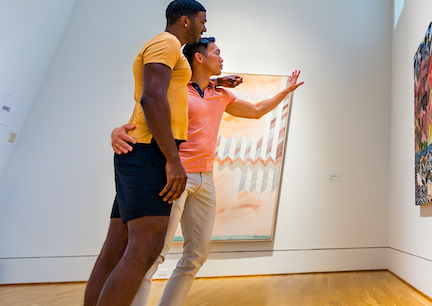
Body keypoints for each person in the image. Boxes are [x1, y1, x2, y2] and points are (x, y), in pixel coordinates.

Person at [111, 37, 303, 306]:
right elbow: (147, 114)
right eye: (217, 52)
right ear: (199, 58)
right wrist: (118, 130)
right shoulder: (177, 90)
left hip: (205, 179)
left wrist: (286, 91)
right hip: (176, 177)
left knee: (197, 254)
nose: (221, 58)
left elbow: (256, 111)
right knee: (154, 253)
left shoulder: (222, 95)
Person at [85, 0, 207, 306]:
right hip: (149, 153)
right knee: (145, 248)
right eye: (202, 21)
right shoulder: (166, 43)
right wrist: (173, 159)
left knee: (115, 251)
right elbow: (152, 98)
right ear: (185, 21)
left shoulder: (168, 48)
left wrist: (217, 81)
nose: (204, 28)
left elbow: (165, 91)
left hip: (142, 152)